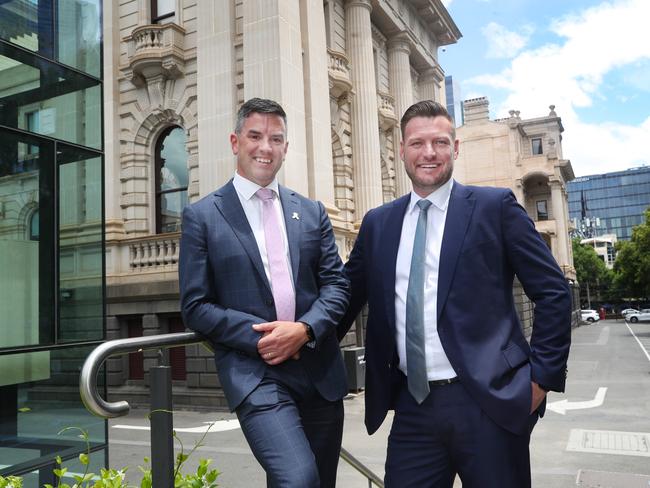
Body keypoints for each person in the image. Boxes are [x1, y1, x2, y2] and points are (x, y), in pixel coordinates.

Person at [338, 100, 572, 487]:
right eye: (417, 143)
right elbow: (344, 298)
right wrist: (304, 333)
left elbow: (553, 292)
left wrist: (539, 382)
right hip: (413, 407)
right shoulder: (378, 224)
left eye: (440, 142)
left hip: (490, 402)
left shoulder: (494, 208)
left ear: (455, 148)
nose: (428, 153)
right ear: (401, 150)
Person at [180, 98, 350, 488]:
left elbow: (337, 285)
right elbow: (195, 306)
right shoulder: (202, 216)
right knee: (298, 477)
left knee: (319, 482)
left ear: (286, 148)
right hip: (256, 374)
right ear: (235, 141)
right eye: (255, 136)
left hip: (319, 370)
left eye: (276, 139)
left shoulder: (311, 212)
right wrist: (264, 337)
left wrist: (305, 329)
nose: (265, 147)